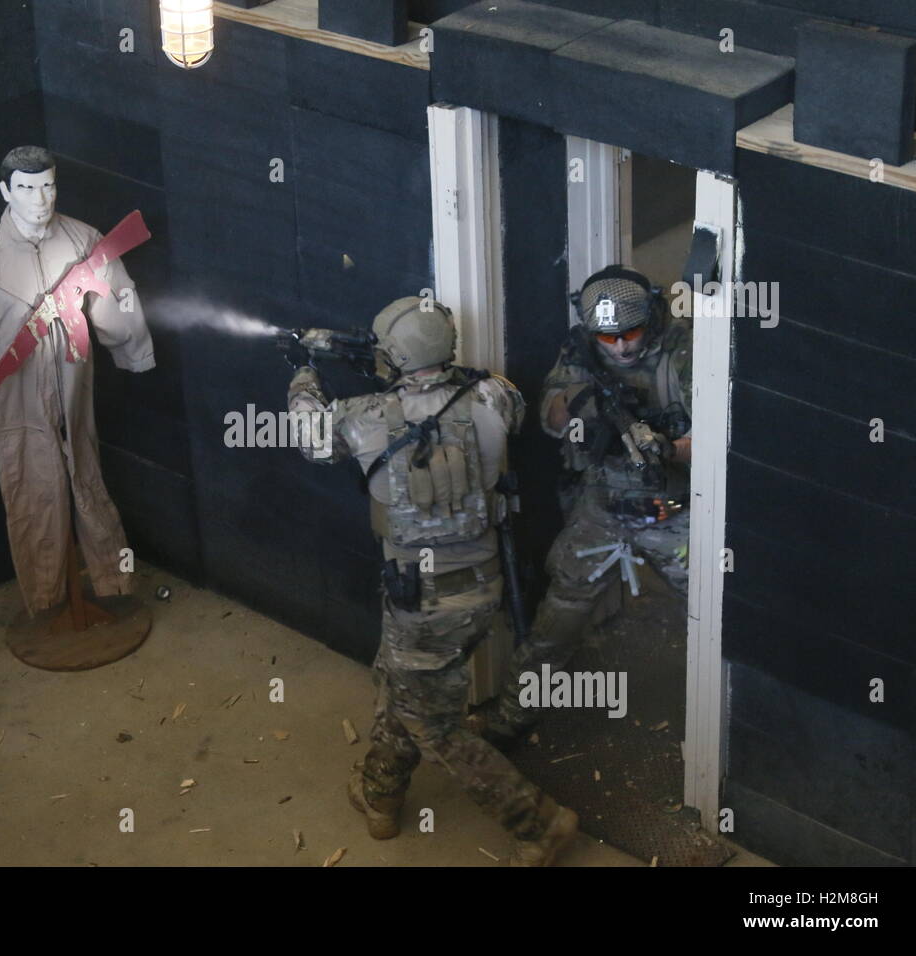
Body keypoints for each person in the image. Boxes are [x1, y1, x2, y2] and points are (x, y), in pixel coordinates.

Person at [285, 296, 578, 866]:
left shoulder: (363, 416)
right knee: (400, 684)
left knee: (434, 726)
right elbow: (481, 401)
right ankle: (381, 794)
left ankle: (539, 822)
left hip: (421, 600)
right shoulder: (495, 395)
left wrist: (302, 375)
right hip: (484, 585)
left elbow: (309, 436)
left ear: (394, 356)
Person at [470, 266, 693, 746]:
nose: (620, 347)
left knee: (714, 608)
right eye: (608, 336)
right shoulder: (582, 352)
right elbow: (551, 417)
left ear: (652, 315)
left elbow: (717, 435)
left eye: (631, 332)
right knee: (559, 615)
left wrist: (668, 448)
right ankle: (512, 716)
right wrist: (589, 405)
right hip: (604, 504)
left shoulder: (683, 353)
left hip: (671, 508)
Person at [0, 146, 155, 614]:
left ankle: (112, 584)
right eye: (28, 189)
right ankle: (49, 604)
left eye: (48, 185)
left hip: (76, 380)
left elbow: (118, 300)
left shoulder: (83, 240)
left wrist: (133, 352)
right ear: (5, 192)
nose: (40, 199)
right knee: (31, 488)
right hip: (17, 392)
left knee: (85, 474)